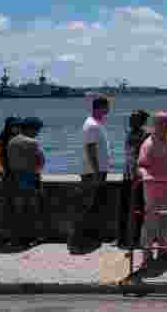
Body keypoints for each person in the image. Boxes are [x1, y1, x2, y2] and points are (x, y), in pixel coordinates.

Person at [70, 95, 112, 253]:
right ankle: (79, 239)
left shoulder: (95, 124)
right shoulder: (92, 125)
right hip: (92, 172)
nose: (108, 110)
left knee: (93, 206)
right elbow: (90, 149)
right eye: (106, 107)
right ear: (99, 107)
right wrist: (95, 172)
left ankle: (88, 237)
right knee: (87, 206)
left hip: (95, 171)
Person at [138, 111, 167, 266]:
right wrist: (145, 176)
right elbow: (141, 166)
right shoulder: (148, 144)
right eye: (165, 124)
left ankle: (163, 251)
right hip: (153, 189)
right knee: (150, 223)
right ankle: (147, 255)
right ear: (156, 126)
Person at [6, 117, 45, 249]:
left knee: (17, 211)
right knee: (32, 210)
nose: (38, 133)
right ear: (30, 129)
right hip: (29, 178)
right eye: (37, 129)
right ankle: (32, 238)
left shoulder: (11, 142)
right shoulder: (32, 142)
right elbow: (41, 162)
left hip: (14, 178)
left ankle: (17, 238)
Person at [119, 110, 150, 250]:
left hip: (138, 178)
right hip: (128, 176)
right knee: (125, 209)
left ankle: (135, 238)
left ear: (141, 121)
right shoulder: (130, 133)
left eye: (134, 119)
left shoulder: (144, 135)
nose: (130, 121)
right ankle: (123, 238)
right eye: (130, 118)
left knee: (137, 210)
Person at [0, 116, 22, 247]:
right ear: (7, 126)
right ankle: (6, 236)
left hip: (21, 175)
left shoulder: (22, 138)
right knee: (8, 207)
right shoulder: (1, 139)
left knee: (19, 207)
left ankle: (18, 236)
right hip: (8, 176)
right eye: (13, 125)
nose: (15, 127)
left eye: (17, 125)